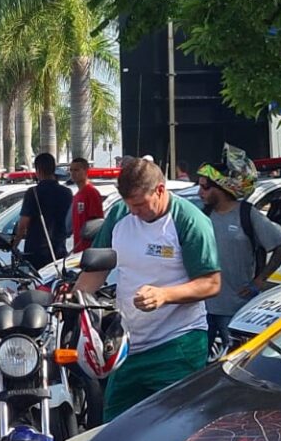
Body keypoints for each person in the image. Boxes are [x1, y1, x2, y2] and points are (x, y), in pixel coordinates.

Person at [76, 156, 220, 421]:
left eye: (140, 204)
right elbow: (96, 271)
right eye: (129, 205)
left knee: (171, 433)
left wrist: (164, 295)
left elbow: (211, 283)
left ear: (161, 190)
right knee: (114, 429)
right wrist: (73, 301)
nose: (134, 213)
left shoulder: (189, 221)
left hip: (177, 344)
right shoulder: (120, 214)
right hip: (127, 346)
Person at [196, 145, 281, 355]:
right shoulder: (202, 216)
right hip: (201, 311)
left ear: (221, 188)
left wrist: (260, 280)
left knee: (235, 362)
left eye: (205, 187)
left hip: (235, 309)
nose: (199, 192)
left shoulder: (247, 215)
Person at [13, 152, 75, 270]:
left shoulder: (33, 193)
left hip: (36, 251)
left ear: (38, 170)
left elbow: (23, 224)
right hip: (59, 250)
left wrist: (15, 244)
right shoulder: (67, 193)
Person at [68, 157, 106, 253]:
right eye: (71, 170)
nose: (73, 173)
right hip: (78, 249)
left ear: (86, 171)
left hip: (89, 249)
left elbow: (97, 223)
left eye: (76, 170)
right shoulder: (77, 195)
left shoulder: (91, 193)